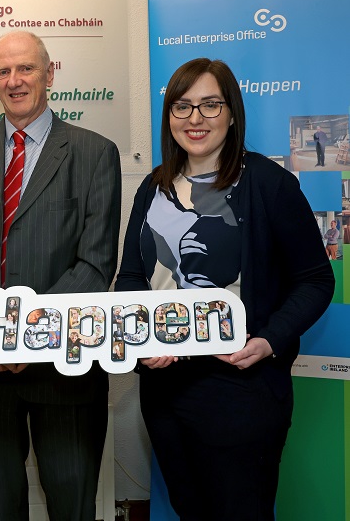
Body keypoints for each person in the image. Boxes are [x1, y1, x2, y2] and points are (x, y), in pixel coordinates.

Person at [115, 58, 334, 520]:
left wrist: (269, 340)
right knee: (190, 508)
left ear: (232, 113)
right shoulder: (152, 188)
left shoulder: (269, 184)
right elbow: (132, 277)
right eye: (182, 106)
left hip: (241, 386)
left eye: (210, 105)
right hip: (164, 387)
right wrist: (140, 341)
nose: (195, 119)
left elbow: (315, 280)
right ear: (168, 116)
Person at [0, 30, 121, 521]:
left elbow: (96, 262)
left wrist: (26, 337)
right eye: (2, 71)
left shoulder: (94, 152)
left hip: (64, 368)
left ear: (50, 73)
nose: (14, 81)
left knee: (72, 503)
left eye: (26, 69)